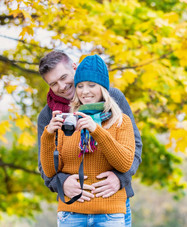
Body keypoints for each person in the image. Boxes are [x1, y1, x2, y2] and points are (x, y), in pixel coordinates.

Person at [37, 51, 142, 226]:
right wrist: (61, 183)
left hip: (111, 203)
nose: (62, 86)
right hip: (73, 207)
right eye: (54, 83)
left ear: (74, 68)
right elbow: (45, 165)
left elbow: (134, 146)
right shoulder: (49, 115)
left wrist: (120, 178)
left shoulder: (113, 99)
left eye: (64, 77)